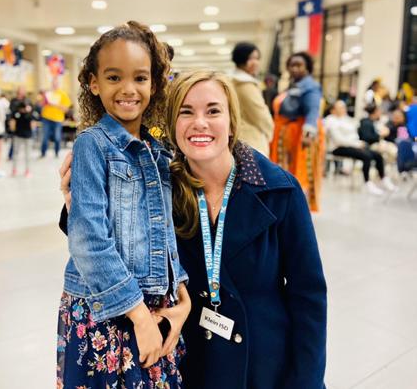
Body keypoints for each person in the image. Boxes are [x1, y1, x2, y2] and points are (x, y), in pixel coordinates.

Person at [58, 70, 327, 388]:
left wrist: (306, 382)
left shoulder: (278, 191)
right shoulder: (156, 187)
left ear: (231, 122)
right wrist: (77, 204)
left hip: (262, 366)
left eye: (213, 111)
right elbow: (107, 241)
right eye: (186, 112)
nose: (200, 123)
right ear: (172, 125)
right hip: (186, 358)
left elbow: (308, 295)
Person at [55, 21, 190, 388]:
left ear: (155, 84)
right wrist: (140, 317)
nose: (128, 89)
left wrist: (181, 294)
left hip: (155, 306)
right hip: (108, 308)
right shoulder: (92, 144)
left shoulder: (157, 150)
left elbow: (161, 231)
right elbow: (88, 241)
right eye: (114, 77)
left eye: (140, 78)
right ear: (94, 83)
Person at [270, 51, 325, 211]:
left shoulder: (310, 86)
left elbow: (312, 111)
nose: (294, 68)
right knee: (287, 172)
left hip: (300, 137)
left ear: (307, 68)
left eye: (299, 65)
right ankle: (288, 209)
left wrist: (308, 134)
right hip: (287, 135)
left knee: (300, 173)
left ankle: (298, 211)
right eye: (291, 65)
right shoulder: (294, 85)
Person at [325, 100, 394, 195]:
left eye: (344, 107)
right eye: (340, 108)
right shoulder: (331, 121)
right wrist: (356, 144)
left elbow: (354, 135)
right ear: (333, 110)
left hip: (354, 145)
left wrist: (359, 143)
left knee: (377, 155)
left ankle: (383, 178)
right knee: (366, 156)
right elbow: (339, 140)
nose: (343, 109)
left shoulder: (347, 119)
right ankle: (367, 183)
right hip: (339, 148)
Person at [230, 42, 274, 157]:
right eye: (251, 58)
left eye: (257, 58)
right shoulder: (245, 84)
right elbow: (260, 114)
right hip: (252, 141)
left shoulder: (232, 81)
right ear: (240, 59)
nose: (256, 63)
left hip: (239, 138)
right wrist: (270, 132)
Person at [40, 76, 71, 158]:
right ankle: (43, 153)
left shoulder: (63, 94)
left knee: (57, 137)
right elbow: (41, 104)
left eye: (56, 83)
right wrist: (44, 101)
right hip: (46, 118)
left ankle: (56, 153)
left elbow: (66, 109)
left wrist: (56, 104)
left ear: (59, 84)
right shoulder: (47, 93)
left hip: (58, 119)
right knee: (45, 137)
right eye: (53, 83)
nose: (54, 85)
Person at [10, 92, 35, 177]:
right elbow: (33, 125)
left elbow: (12, 124)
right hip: (21, 135)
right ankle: (17, 170)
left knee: (22, 153)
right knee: (21, 153)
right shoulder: (24, 114)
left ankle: (24, 170)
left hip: (23, 135)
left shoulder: (22, 113)